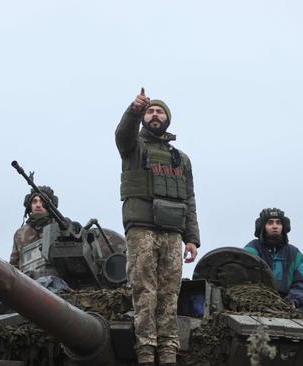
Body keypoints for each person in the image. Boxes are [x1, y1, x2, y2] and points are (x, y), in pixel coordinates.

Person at [116, 88, 200, 366]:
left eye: (159, 111)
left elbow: (189, 198)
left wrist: (192, 239)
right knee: (144, 291)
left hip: (173, 232)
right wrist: (132, 110)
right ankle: (145, 352)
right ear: (143, 116)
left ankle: (168, 352)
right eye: (150, 111)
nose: (154, 115)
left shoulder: (181, 158)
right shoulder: (134, 148)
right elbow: (122, 135)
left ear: (167, 118)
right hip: (142, 228)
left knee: (169, 293)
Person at [244, 208, 303, 317]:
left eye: (278, 223)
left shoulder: (294, 254)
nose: (275, 226)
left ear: (283, 226)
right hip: (258, 302)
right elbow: (243, 279)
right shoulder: (252, 250)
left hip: (289, 303)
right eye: (270, 222)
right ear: (263, 227)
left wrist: (292, 301)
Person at [9, 185, 58, 276]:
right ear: (29, 206)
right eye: (34, 202)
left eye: (42, 201)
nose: (38, 205)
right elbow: (14, 265)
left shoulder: (60, 228)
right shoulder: (20, 234)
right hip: (28, 284)